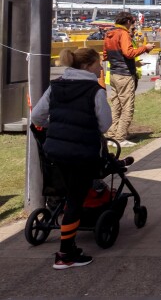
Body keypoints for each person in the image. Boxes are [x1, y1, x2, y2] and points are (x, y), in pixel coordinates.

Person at [32, 48, 111, 270]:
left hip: (56, 152)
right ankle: (65, 254)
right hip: (82, 154)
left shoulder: (55, 86)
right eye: (97, 64)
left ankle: (68, 247)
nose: (101, 68)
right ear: (87, 67)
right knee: (76, 201)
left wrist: (56, 128)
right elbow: (104, 124)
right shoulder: (95, 91)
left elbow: (37, 116)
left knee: (69, 197)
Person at [103, 12, 155, 147]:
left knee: (116, 106)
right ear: (127, 21)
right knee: (127, 107)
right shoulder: (123, 33)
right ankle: (120, 138)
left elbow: (105, 55)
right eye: (132, 22)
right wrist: (145, 48)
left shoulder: (109, 33)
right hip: (125, 75)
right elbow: (129, 52)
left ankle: (111, 135)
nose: (134, 25)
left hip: (114, 74)